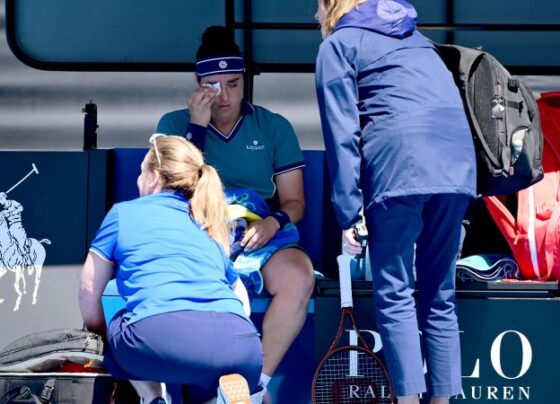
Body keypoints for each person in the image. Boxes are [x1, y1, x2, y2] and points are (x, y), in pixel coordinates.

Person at [314, 1, 476, 403]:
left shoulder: (339, 44)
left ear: (333, 6)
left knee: (395, 291)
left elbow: (342, 134)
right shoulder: (417, 39)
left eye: (317, 6)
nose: (314, 17)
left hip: (401, 165)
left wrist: (348, 211)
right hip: (457, 167)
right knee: (439, 293)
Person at [156, 26, 315, 401]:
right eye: (213, 86)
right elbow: (172, 191)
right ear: (198, 86)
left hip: (257, 232)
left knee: (298, 276)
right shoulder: (174, 125)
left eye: (233, 84)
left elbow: (296, 203)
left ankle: (254, 388)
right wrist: (197, 127)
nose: (224, 96)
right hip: (196, 231)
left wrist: (275, 222)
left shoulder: (273, 126)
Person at [78, 135, 262, 404]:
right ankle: (218, 393)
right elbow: (241, 298)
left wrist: (99, 338)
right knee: (205, 366)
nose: (138, 180)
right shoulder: (206, 224)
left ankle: (153, 396)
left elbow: (87, 290)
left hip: (156, 340)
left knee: (120, 320)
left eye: (141, 172)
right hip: (241, 345)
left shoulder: (123, 213)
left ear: (155, 176)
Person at [0, 192, 32, 267]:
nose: (0, 201)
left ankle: (28, 259)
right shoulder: (3, 211)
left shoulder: (13, 203)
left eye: (0, 199)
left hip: (17, 226)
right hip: (10, 228)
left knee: (20, 244)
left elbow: (21, 208)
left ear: (4, 197)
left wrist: (10, 213)